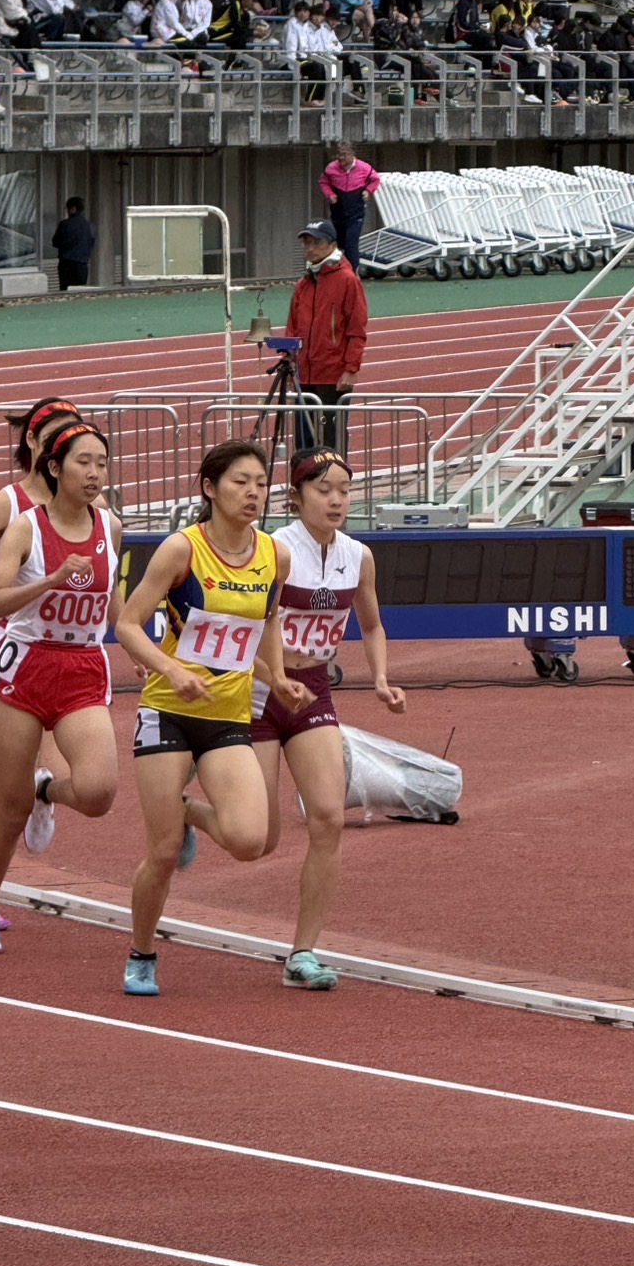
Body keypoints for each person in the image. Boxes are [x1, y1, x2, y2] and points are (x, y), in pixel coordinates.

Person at [113, 439, 309, 997]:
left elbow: (265, 621)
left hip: (228, 713)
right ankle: (142, 950)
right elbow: (128, 624)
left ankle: (189, 810)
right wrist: (170, 671)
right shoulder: (182, 549)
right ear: (209, 488)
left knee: (251, 840)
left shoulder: (276, 554)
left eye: (259, 483)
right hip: (169, 710)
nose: (252, 493)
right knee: (162, 853)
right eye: (240, 482)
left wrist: (277, 675)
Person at [246, 446, 405, 990]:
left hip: (312, 690)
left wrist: (380, 678)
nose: (336, 499)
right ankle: (192, 811)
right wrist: (273, 676)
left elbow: (372, 624)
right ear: (297, 497)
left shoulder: (358, 556)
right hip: (261, 690)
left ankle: (302, 953)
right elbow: (253, 624)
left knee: (329, 819)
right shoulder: (274, 551)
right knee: (260, 839)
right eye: (323, 489)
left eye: (344, 489)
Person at [0, 422, 122, 955]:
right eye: (84, 461)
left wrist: (152, 657)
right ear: (55, 469)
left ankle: (47, 792)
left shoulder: (111, 526)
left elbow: (114, 607)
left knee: (100, 792)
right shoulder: (26, 529)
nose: (96, 473)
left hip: (82, 666)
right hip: (26, 665)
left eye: (102, 462)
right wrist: (51, 581)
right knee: (7, 810)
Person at [0, 396, 82, 931]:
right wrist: (25, 569)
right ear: (35, 444)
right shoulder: (7, 504)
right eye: (56, 434)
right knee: (0, 791)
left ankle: (45, 795)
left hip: (61, 657)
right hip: (2, 657)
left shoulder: (87, 508)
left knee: (68, 775)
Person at [285, 219, 368, 453]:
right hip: (305, 372)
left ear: (332, 245)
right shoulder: (304, 283)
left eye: (316, 242)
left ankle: (335, 483)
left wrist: (351, 368)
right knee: (304, 437)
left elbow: (356, 329)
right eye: (306, 243)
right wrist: (290, 363)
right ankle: (305, 483)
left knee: (331, 435)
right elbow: (293, 327)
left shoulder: (347, 280)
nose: (310, 248)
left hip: (333, 373)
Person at [318, 142, 380, 276]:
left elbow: (375, 179)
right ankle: (336, 271)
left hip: (356, 212)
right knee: (339, 243)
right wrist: (330, 194)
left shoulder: (364, 168)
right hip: (338, 211)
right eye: (339, 155)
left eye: (344, 155)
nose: (341, 159)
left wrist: (368, 191)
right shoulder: (331, 169)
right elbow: (323, 182)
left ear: (352, 155)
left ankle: (353, 273)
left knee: (351, 242)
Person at [51, 195, 95, 290]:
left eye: (67, 209)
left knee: (65, 291)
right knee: (79, 291)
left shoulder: (65, 224)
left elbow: (55, 242)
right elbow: (91, 243)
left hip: (66, 264)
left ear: (73, 209)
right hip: (83, 264)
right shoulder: (89, 226)